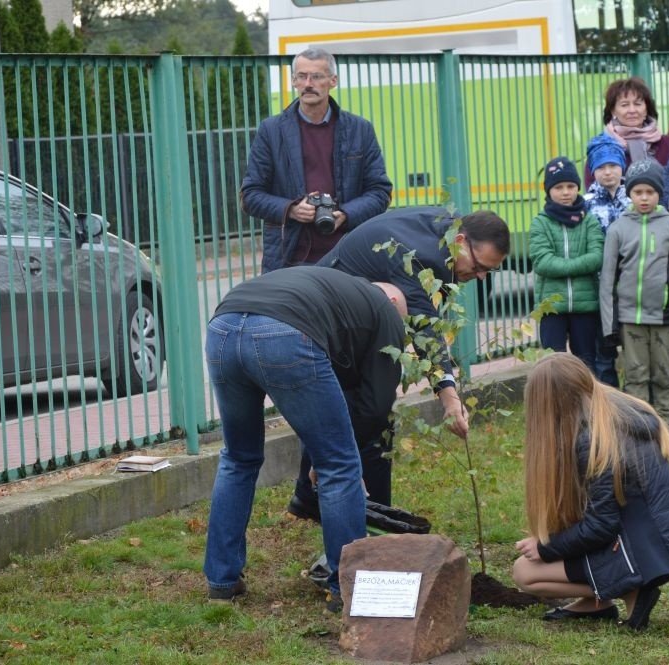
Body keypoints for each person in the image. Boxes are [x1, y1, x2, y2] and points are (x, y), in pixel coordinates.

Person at [281, 206, 510, 518]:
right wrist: (450, 399)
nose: (482, 277)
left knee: (346, 410)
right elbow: (425, 333)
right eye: (480, 266)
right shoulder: (421, 258)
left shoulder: (445, 228)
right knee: (368, 417)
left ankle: (312, 498)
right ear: (460, 240)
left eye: (490, 271)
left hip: (351, 315)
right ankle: (368, 513)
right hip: (328, 320)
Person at [203, 267, 407, 607]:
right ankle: (347, 588)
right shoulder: (385, 309)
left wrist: (319, 450)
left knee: (238, 458)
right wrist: (334, 455)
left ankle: (222, 582)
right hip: (283, 334)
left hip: (222, 328)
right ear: (392, 300)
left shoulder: (336, 294)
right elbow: (374, 405)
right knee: (340, 466)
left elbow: (332, 395)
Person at [511, 353, 669, 629]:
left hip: (639, 555)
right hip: (658, 543)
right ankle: (598, 604)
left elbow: (601, 525)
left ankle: (632, 591)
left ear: (550, 404)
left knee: (524, 573)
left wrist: (545, 547)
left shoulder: (593, 441)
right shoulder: (622, 410)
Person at [240, 47, 392, 273]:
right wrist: (291, 209)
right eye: (302, 76)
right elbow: (250, 195)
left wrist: (347, 214)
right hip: (289, 258)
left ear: (333, 80)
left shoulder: (359, 129)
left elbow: (380, 192)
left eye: (317, 76)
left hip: (349, 255)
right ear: (294, 81)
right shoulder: (271, 131)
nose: (308, 83)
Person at [599, 160, 669, 435]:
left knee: (663, 374)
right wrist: (609, 324)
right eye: (638, 192)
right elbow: (607, 279)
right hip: (630, 317)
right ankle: (638, 426)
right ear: (630, 194)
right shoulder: (618, 229)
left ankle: (666, 424)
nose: (643, 198)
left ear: (659, 194)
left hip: (665, 317)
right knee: (636, 375)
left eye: (649, 192)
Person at [530, 157, 604, 371]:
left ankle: (588, 403)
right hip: (552, 308)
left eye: (571, 186)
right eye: (559, 187)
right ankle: (558, 404)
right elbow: (543, 263)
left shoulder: (589, 220)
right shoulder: (540, 222)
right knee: (553, 365)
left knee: (587, 363)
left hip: (585, 306)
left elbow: (597, 257)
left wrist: (562, 266)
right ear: (548, 190)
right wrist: (579, 265)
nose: (565, 192)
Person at [585, 134, 630, 386]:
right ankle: (609, 402)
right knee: (603, 350)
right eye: (601, 167)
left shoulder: (633, 201)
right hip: (600, 287)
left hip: (629, 285)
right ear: (593, 171)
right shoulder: (586, 204)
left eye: (612, 165)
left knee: (632, 347)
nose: (608, 172)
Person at [599, 76, 669, 168]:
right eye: (624, 105)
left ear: (646, 109)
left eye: (637, 104)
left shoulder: (668, 145)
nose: (632, 110)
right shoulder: (601, 147)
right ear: (613, 110)